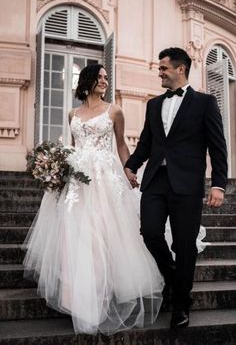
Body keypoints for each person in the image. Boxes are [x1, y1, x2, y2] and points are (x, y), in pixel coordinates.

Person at [23, 64, 165, 335]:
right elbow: (73, 149)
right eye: (100, 77)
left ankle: (101, 294)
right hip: (77, 181)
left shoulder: (115, 111)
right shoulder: (72, 113)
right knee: (75, 235)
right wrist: (57, 169)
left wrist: (129, 170)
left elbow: (121, 145)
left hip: (104, 178)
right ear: (88, 80)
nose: (104, 81)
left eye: (106, 78)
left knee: (103, 232)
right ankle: (76, 297)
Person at [124, 47, 228, 329]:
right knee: (150, 232)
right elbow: (146, 142)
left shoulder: (205, 103)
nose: (159, 72)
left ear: (180, 69)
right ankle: (173, 279)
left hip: (188, 184)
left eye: (163, 68)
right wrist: (131, 165)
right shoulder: (154, 104)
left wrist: (218, 184)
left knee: (184, 245)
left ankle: (181, 303)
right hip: (156, 180)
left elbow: (218, 147)